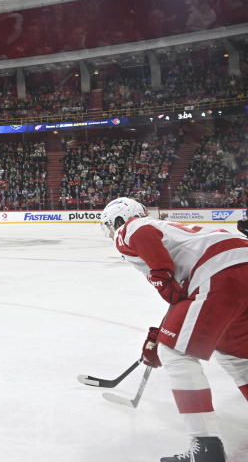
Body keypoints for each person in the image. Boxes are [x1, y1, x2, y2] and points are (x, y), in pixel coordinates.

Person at [100, 197, 248, 462]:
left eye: (111, 226)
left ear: (119, 219)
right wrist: (167, 328)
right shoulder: (171, 231)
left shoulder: (132, 227)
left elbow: (142, 235)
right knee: (235, 354)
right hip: (236, 267)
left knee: (175, 352)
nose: (112, 234)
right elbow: (183, 297)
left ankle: (205, 449)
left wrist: (161, 274)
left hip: (219, 272)